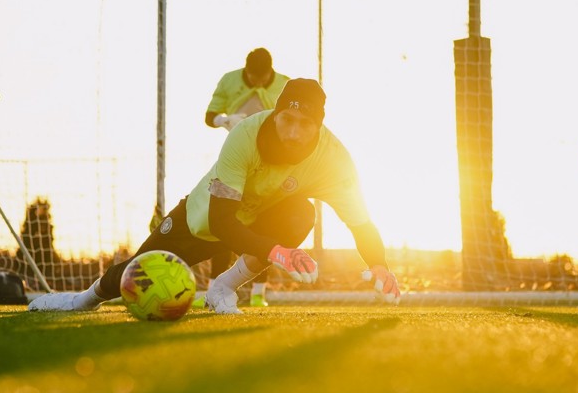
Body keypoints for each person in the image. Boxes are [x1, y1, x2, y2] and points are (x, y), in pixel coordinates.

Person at [30, 78, 401, 314]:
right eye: (287, 119)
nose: (292, 131)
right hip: (203, 219)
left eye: (304, 124)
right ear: (275, 113)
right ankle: (78, 301)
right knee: (131, 276)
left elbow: (361, 222)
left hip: (259, 219)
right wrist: (277, 251)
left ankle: (223, 289)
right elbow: (223, 220)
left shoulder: (334, 161)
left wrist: (379, 263)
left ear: (318, 126)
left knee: (300, 215)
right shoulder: (245, 136)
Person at [197, 47, 291, 308]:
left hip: (271, 166)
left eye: (263, 79)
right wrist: (224, 120)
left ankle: (259, 294)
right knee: (223, 220)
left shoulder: (285, 85)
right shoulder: (229, 80)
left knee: (268, 224)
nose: (259, 83)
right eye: (253, 77)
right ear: (246, 71)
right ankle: (212, 290)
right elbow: (208, 116)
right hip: (235, 162)